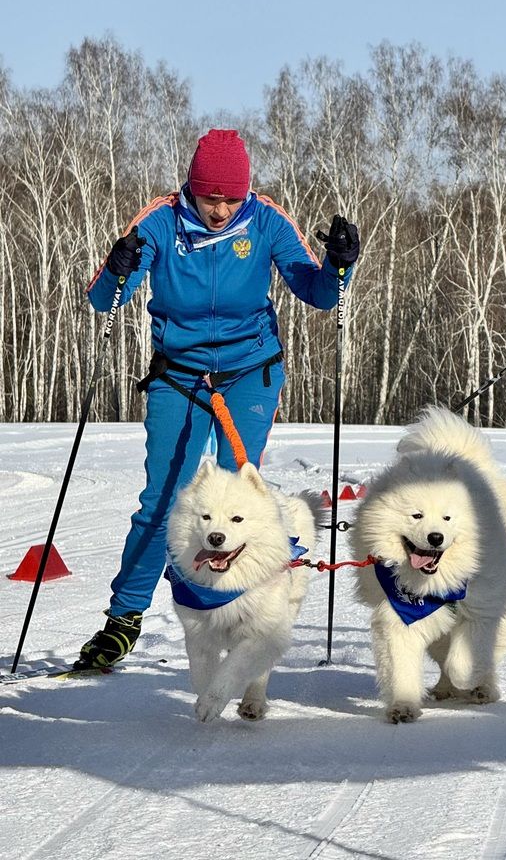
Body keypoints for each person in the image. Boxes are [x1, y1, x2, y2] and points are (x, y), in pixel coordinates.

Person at [76, 128, 360, 668]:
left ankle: (241, 606)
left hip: (249, 373)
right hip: (179, 376)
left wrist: (339, 264)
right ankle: (124, 619)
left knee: (239, 496)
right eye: (211, 197)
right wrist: (117, 267)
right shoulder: (160, 221)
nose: (221, 209)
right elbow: (102, 300)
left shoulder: (267, 220)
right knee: (164, 499)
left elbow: (321, 294)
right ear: (192, 187)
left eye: (231, 198)